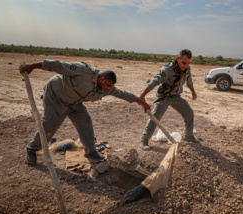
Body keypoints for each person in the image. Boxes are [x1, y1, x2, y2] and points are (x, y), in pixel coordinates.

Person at [19, 60, 150, 165]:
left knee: (85, 121)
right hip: (56, 95)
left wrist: (142, 102)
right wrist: (32, 66)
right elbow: (58, 65)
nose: (109, 89)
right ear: (102, 79)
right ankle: (31, 149)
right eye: (108, 85)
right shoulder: (84, 71)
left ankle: (91, 152)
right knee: (49, 123)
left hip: (74, 102)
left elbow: (123, 94)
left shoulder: (107, 89)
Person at [139, 49, 199, 150]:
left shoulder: (187, 69)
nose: (185, 66)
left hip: (176, 96)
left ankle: (188, 136)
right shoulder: (167, 70)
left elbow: (189, 81)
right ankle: (144, 141)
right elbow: (155, 81)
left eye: (187, 63)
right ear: (178, 59)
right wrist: (143, 95)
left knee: (189, 112)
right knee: (155, 117)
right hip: (164, 96)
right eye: (183, 63)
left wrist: (193, 92)